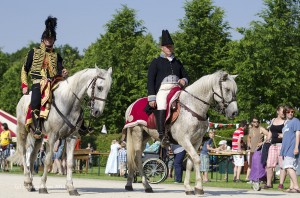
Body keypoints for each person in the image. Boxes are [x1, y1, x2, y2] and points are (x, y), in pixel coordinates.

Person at [21, 16, 68, 139]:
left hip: (53, 83)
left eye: (51, 38)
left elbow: (59, 70)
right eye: (47, 37)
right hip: (38, 82)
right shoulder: (33, 52)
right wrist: (24, 85)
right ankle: (37, 127)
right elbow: (24, 69)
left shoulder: (57, 56)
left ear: (54, 40)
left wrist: (63, 73)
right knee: (35, 101)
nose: (49, 39)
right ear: (43, 39)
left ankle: (77, 123)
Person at [147, 29, 189, 147]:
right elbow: (150, 80)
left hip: (177, 89)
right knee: (162, 104)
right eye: (167, 47)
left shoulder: (178, 62)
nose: (169, 49)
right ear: (162, 48)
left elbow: (186, 76)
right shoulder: (156, 62)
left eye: (171, 47)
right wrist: (152, 97)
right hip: (162, 90)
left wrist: (183, 80)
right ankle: (161, 135)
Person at [264, 105, 286, 189]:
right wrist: (267, 139)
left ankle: (281, 184)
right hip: (273, 145)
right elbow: (270, 131)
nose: (284, 113)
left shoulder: (286, 121)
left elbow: (288, 132)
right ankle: (269, 184)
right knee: (269, 165)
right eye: (282, 111)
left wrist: (283, 135)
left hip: (282, 145)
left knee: (282, 165)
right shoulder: (273, 120)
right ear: (278, 111)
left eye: (285, 111)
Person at [280, 106, 300, 193]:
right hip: (286, 149)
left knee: (288, 167)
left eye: (292, 112)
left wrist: (296, 147)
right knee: (292, 168)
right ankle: (292, 187)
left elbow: (298, 134)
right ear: (285, 113)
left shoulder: (296, 121)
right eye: (288, 112)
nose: (290, 113)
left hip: (292, 148)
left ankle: (296, 187)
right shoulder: (286, 123)